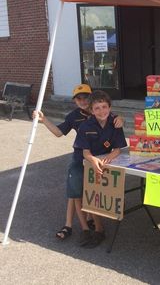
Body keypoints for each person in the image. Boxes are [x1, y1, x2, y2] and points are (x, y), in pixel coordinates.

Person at [33, 84, 124, 241]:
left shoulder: (108, 115)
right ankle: (81, 227)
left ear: (91, 98)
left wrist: (119, 119)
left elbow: (116, 138)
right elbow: (59, 132)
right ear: (76, 101)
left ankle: (93, 223)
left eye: (86, 97)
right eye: (79, 98)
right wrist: (43, 119)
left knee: (93, 192)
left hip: (100, 159)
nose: (83, 101)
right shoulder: (75, 117)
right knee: (75, 191)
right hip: (81, 158)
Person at [74, 90, 127, 248]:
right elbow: (85, 152)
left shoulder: (116, 122)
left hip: (108, 161)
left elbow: (118, 149)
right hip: (89, 162)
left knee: (105, 192)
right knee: (94, 194)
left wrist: (110, 157)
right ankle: (98, 229)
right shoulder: (86, 126)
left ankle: (99, 223)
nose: (101, 111)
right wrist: (94, 160)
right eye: (97, 108)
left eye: (104, 107)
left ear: (110, 108)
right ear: (91, 110)